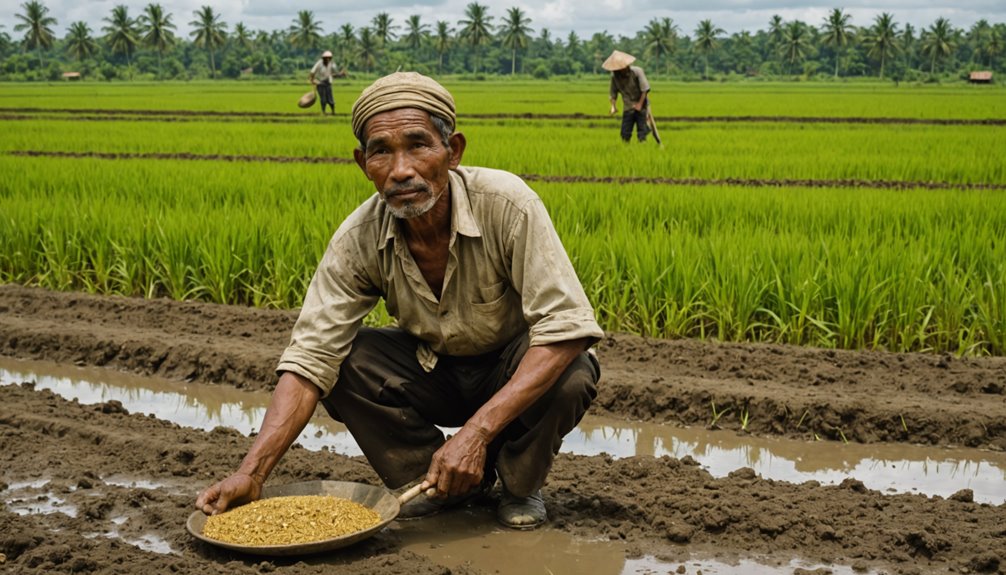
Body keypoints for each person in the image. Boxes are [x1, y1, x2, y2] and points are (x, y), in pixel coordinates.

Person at [196, 72, 604, 530]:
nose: (401, 169)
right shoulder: (359, 237)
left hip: (510, 370)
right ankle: (434, 481)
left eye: (418, 145)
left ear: (454, 152)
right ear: (361, 162)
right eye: (381, 151)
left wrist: (476, 433)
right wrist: (251, 474)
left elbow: (566, 327)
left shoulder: (507, 205)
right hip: (432, 372)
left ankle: (519, 484)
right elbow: (310, 356)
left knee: (573, 370)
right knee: (343, 360)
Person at [604, 50, 651, 143]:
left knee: (642, 133)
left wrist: (639, 105)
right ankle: (626, 148)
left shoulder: (637, 72)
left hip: (641, 104)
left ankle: (644, 138)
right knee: (625, 133)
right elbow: (613, 93)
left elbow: (645, 89)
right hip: (628, 106)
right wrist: (613, 106)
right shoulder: (615, 77)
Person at [309, 50, 337, 115]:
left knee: (330, 99)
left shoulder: (331, 64)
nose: (327, 59)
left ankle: (333, 112)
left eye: (329, 58)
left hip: (328, 83)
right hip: (320, 83)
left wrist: (340, 74)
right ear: (323, 58)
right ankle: (323, 112)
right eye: (326, 58)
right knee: (323, 99)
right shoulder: (319, 63)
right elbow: (312, 72)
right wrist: (312, 79)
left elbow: (333, 73)